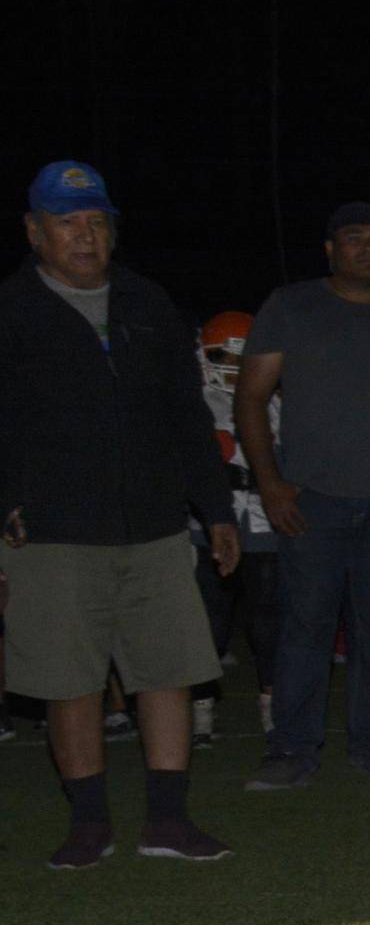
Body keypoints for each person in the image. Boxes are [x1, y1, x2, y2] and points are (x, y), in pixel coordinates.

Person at [0, 160, 238, 867]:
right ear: (35, 232)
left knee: (167, 670)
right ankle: (88, 821)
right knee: (68, 679)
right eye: (67, 221)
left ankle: (167, 819)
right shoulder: (11, 311)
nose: (85, 235)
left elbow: (187, 414)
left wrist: (216, 506)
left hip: (157, 527)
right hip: (49, 531)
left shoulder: (146, 301)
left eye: (96, 221)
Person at [234, 202, 370, 787]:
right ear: (330, 249)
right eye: (354, 238)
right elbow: (251, 396)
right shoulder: (291, 306)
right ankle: (291, 750)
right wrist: (271, 482)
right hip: (312, 497)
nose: (368, 248)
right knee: (303, 625)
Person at [191, 311, 283, 746]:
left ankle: (271, 705)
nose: (230, 364)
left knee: (267, 619)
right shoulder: (194, 401)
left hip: (264, 519)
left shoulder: (278, 403)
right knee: (208, 618)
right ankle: (199, 710)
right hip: (206, 523)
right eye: (222, 354)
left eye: (239, 356)